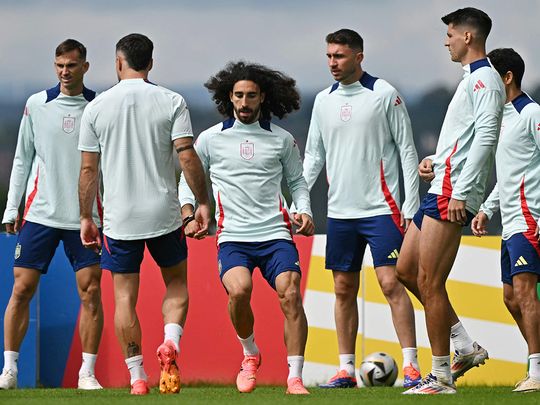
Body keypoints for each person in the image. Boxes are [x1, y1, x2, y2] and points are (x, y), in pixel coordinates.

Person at [78, 33, 211, 395]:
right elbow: (186, 155)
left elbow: (89, 170)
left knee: (123, 298)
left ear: (118, 63)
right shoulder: (172, 101)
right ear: (150, 63)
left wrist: (86, 217)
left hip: (120, 219)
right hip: (165, 214)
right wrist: (202, 202)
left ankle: (137, 377)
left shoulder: (96, 107)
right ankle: (170, 343)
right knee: (177, 285)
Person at [178, 61, 314, 395]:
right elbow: (187, 180)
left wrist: (304, 211)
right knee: (239, 292)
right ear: (229, 97)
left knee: (291, 294)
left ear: (262, 97)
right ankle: (250, 353)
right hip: (233, 238)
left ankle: (294, 376)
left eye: (250, 95)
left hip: (276, 235)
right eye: (238, 95)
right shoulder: (210, 139)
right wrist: (189, 214)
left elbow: (297, 182)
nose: (244, 102)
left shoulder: (282, 140)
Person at [301, 28, 422, 389]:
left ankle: (412, 367)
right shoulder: (323, 100)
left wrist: (410, 203)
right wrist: (299, 201)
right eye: (328, 56)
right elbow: (313, 157)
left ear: (359, 56)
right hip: (340, 212)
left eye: (339, 55)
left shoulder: (384, 94)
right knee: (342, 288)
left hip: (382, 209)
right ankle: (345, 370)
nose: (332, 63)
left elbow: (407, 150)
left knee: (391, 282)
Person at [396, 8, 505, 394]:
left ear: (468, 37)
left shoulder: (485, 80)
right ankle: (463, 346)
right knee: (406, 271)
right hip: (441, 184)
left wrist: (462, 190)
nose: (447, 41)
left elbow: (487, 138)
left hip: (454, 191)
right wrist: (436, 161)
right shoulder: (471, 79)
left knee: (429, 281)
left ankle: (441, 376)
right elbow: (465, 138)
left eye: (451, 34)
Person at [0, 39, 104, 390]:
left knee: (90, 292)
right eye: (59, 65)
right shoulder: (36, 104)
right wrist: (12, 207)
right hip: (40, 214)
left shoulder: (99, 107)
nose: (64, 71)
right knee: (22, 288)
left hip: (85, 218)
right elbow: (21, 159)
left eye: (72, 65)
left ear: (85, 67)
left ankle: (87, 373)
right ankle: (10, 369)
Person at [471, 48, 540, 393]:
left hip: (531, 220)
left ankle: (537, 372)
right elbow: (509, 175)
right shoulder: (499, 119)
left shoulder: (531, 113)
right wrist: (487, 208)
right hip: (510, 222)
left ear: (507, 78)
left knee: (526, 294)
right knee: (511, 299)